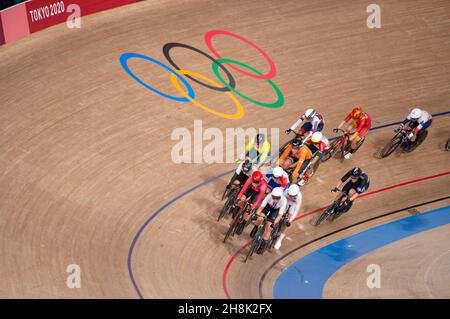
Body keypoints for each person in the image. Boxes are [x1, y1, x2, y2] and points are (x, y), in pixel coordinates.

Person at [246, 187, 287, 254]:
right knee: (260, 218)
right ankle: (256, 228)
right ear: (272, 195)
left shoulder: (284, 200)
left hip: (276, 211)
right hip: (268, 206)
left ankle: (262, 245)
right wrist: (256, 215)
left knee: (268, 227)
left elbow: (279, 215)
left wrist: (274, 223)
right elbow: (261, 207)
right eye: (274, 197)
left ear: (281, 197)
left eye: (277, 198)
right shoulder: (269, 196)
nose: (275, 199)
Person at [274, 184, 302, 250]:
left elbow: (296, 211)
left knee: (287, 222)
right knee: (280, 212)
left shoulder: (299, 197)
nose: (291, 196)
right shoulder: (286, 192)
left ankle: (279, 241)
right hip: (286, 202)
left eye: (292, 196)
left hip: (293, 205)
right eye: (289, 195)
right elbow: (280, 201)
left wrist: (289, 220)